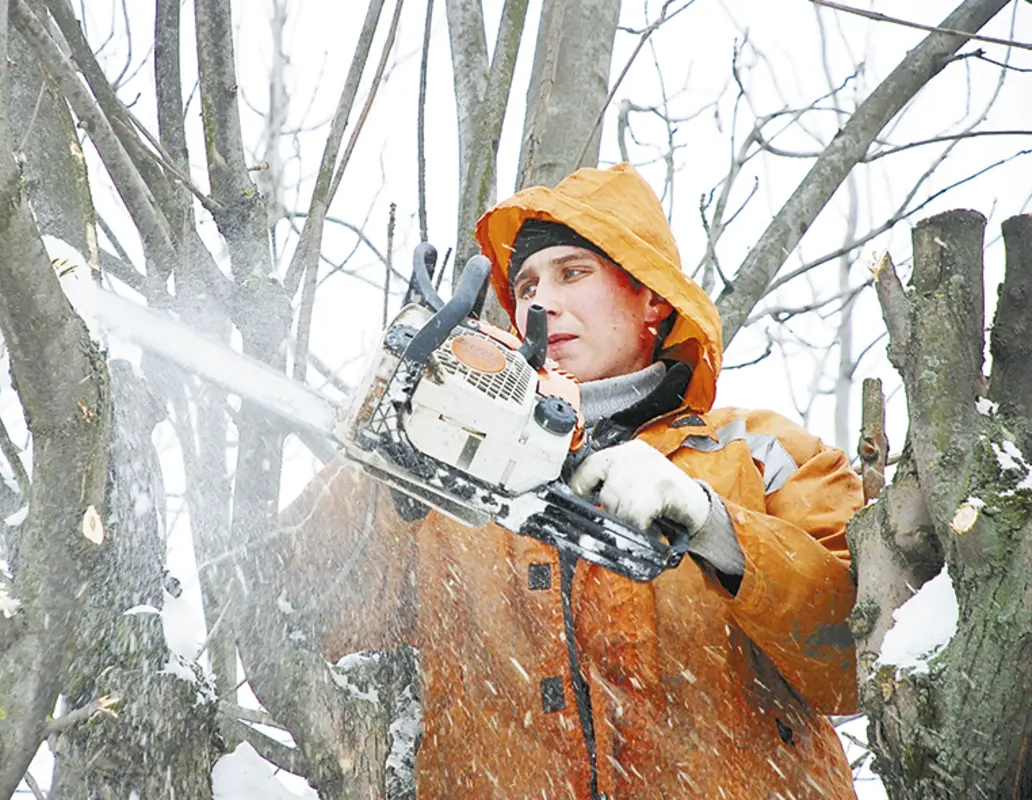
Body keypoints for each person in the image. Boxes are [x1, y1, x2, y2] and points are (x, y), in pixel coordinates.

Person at [274, 163, 861, 799]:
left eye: (572, 273)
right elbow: (287, 620)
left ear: (651, 297)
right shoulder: (459, 480)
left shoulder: (757, 452)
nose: (540, 301)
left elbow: (855, 659)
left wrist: (712, 523)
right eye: (524, 286)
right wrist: (385, 464)